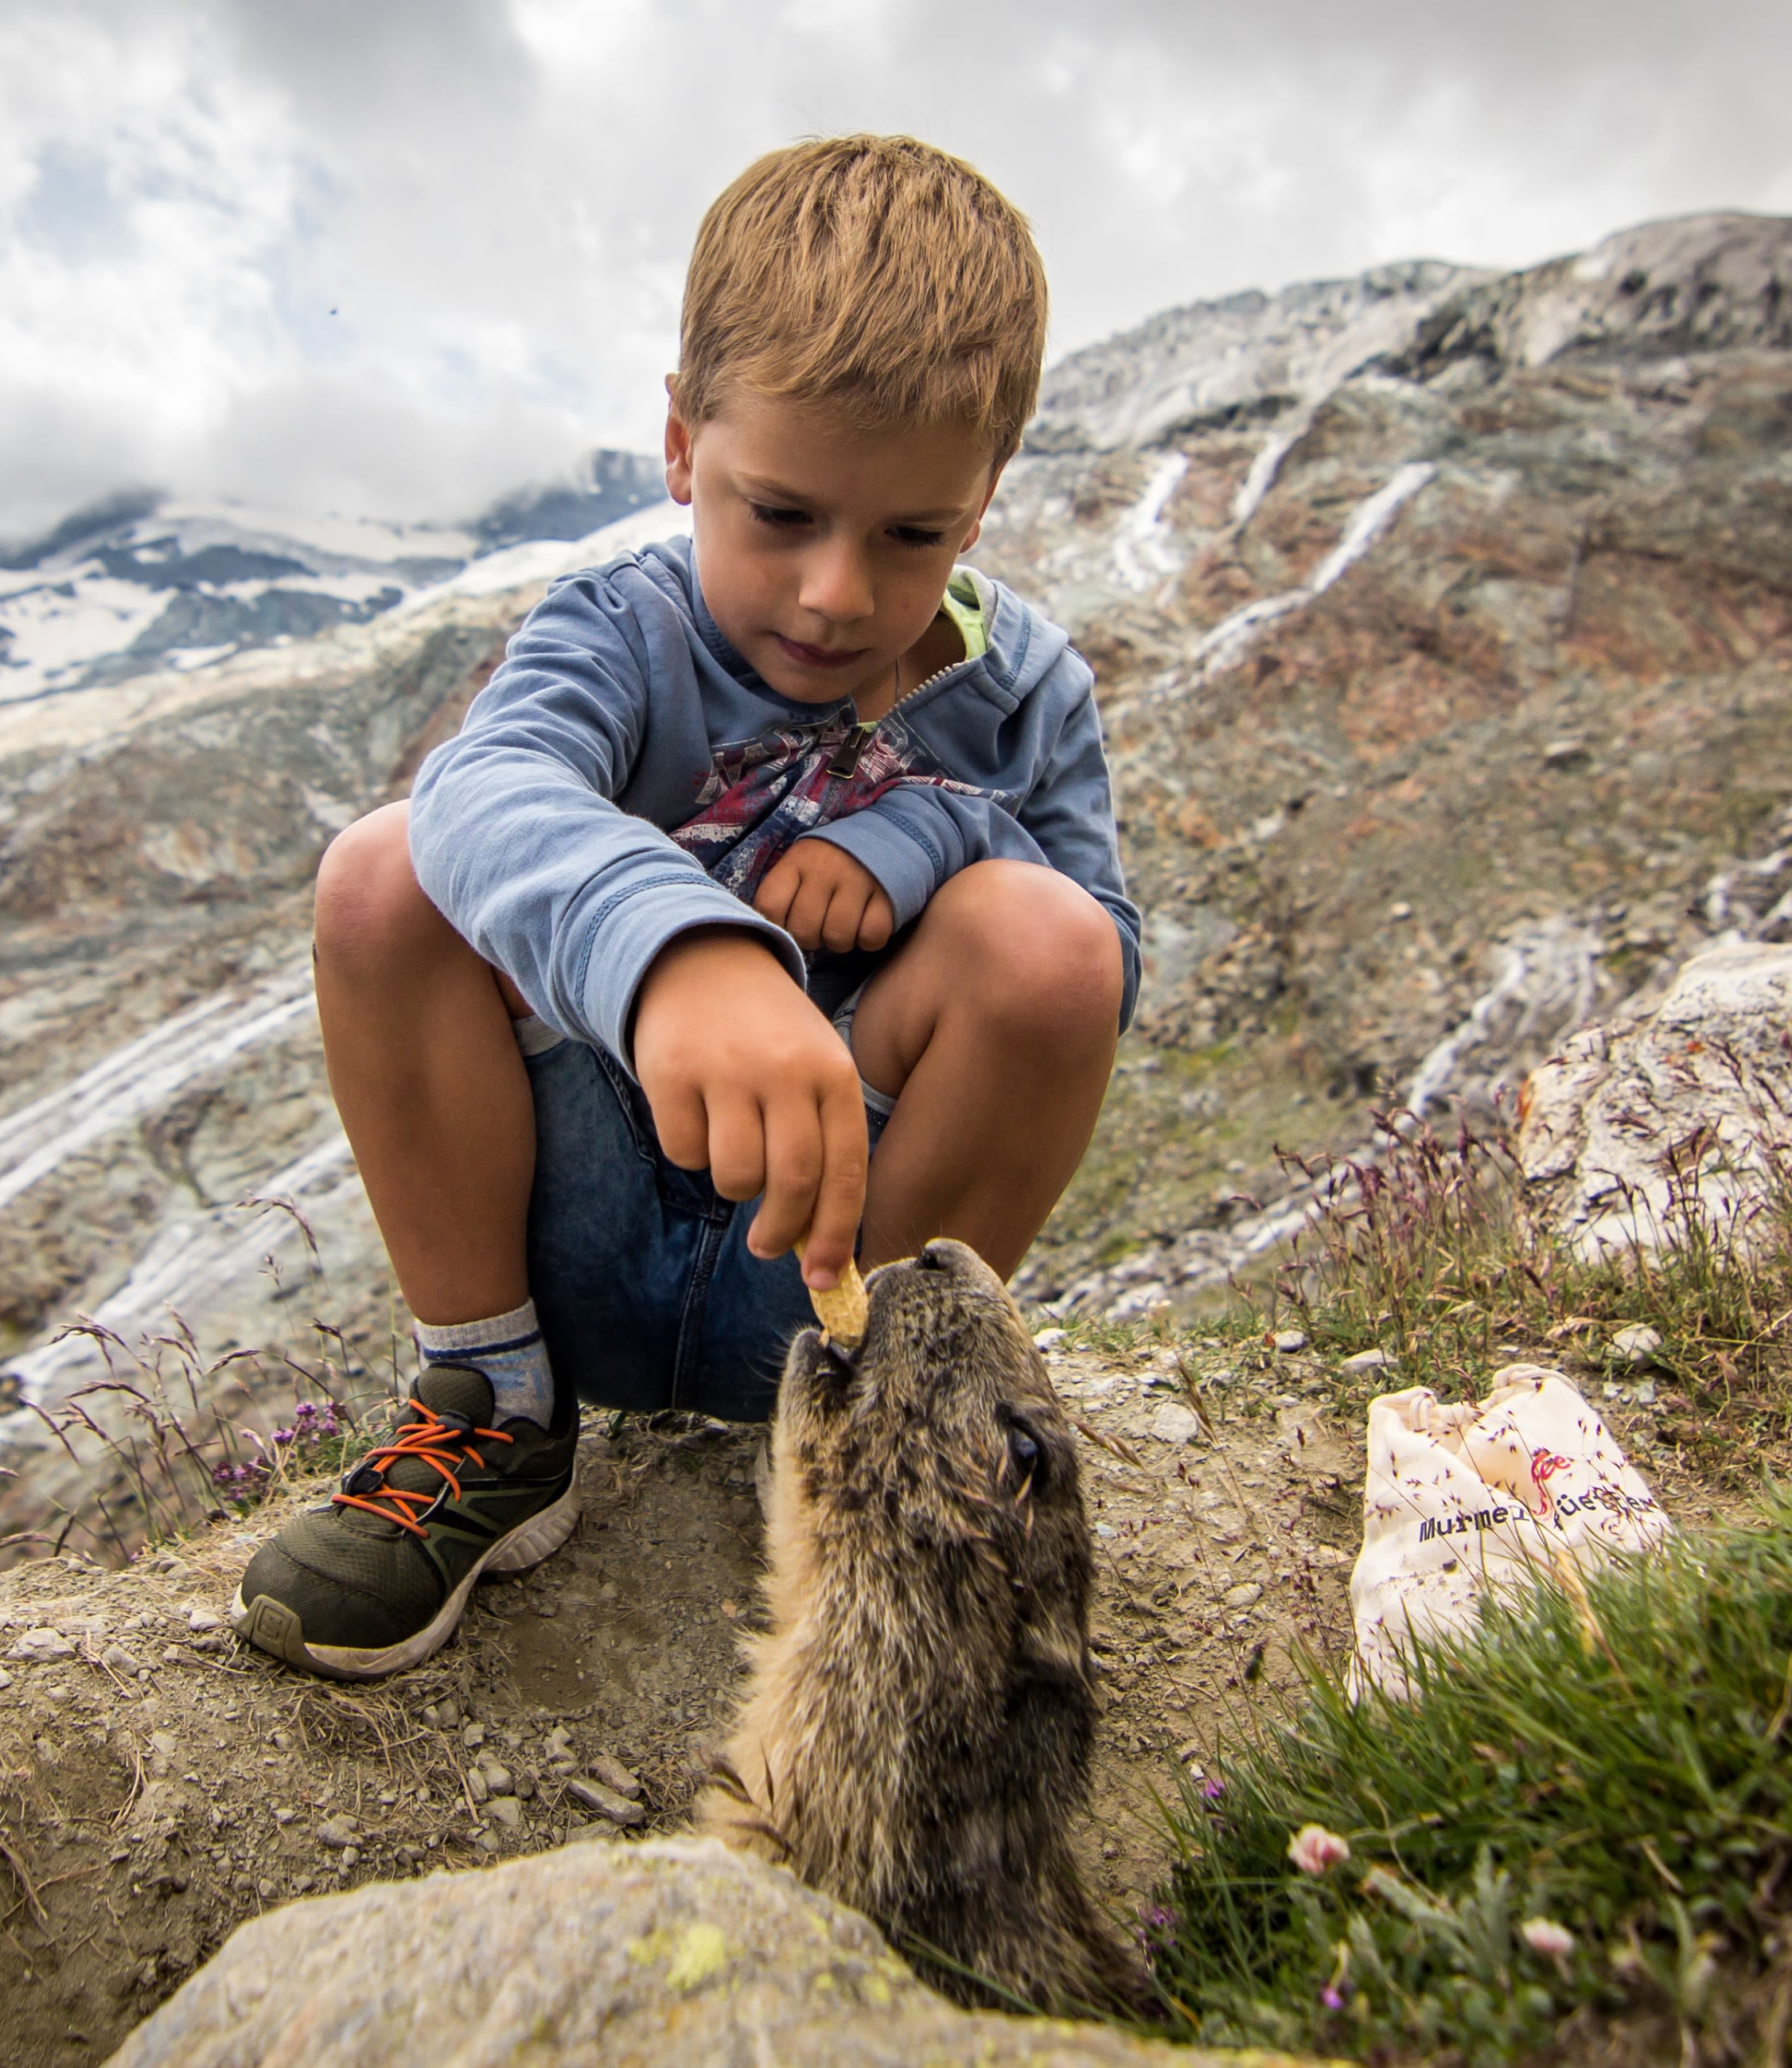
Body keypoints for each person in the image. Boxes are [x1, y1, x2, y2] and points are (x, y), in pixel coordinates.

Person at [235, 134, 1139, 1679]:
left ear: (981, 504)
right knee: (386, 871)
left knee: (1049, 949)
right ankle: (493, 1416)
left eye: (910, 535)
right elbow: (485, 789)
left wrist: (933, 831)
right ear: (678, 445)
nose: (836, 594)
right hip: (571, 1206)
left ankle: (879, 1452)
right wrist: (682, 957)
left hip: (833, 1263)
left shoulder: (1029, 689)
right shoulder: (623, 627)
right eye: (779, 512)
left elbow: (1108, 957)